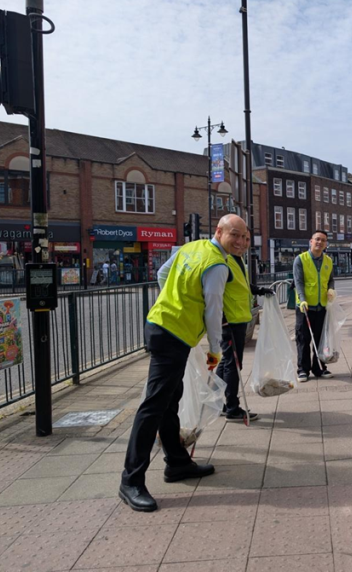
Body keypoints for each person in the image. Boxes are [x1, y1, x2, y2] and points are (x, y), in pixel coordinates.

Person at [118, 214, 242, 512]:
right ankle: (130, 480)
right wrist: (215, 350)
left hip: (161, 325)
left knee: (169, 399)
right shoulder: (217, 265)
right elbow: (213, 311)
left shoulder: (191, 247)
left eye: (243, 236)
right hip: (173, 333)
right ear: (219, 232)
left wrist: (174, 300)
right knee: (153, 406)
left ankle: (176, 462)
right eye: (234, 235)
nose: (239, 241)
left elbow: (163, 274)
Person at [218, 227, 272, 421]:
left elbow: (240, 285)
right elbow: (215, 290)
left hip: (239, 319)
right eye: (238, 237)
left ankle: (218, 402)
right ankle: (232, 407)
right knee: (233, 363)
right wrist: (222, 317)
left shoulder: (238, 260)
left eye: (247, 239)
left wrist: (258, 289)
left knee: (226, 361)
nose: (243, 243)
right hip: (229, 321)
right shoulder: (224, 261)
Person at [294, 230, 336, 382]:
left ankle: (319, 368)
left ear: (326, 244)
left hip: (321, 307)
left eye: (323, 240)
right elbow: (298, 282)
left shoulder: (328, 261)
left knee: (320, 340)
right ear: (311, 241)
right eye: (317, 239)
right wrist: (302, 299)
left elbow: (331, 279)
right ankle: (302, 370)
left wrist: (331, 289)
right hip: (305, 307)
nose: (320, 242)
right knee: (303, 339)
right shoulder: (300, 259)